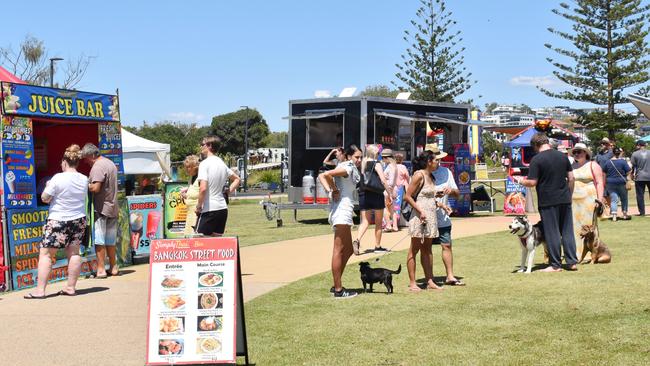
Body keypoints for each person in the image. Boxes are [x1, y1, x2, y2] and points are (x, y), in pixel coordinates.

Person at [24, 145, 88, 299]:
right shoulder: (84, 179)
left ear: (64, 162)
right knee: (74, 252)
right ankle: (70, 288)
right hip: (78, 219)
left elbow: (45, 198)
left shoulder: (57, 178)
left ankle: (40, 291)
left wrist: (47, 186)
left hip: (58, 219)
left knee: (46, 254)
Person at [514, 133, 578, 272]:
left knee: (552, 232)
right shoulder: (563, 156)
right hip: (564, 198)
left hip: (548, 200)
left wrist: (520, 180)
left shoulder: (537, 160)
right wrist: (569, 194)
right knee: (567, 230)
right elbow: (572, 178)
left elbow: (532, 182)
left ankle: (555, 265)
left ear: (536, 145)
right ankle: (572, 262)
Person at [318, 145, 363, 299]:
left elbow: (325, 176)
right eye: (357, 157)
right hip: (342, 211)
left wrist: (332, 189)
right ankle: (338, 289)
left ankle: (336, 283)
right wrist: (333, 190)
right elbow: (325, 175)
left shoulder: (346, 166)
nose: (359, 160)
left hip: (344, 210)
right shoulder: (348, 168)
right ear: (349, 156)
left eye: (361, 157)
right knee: (338, 250)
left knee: (349, 250)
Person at [403, 151, 442, 292]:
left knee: (427, 250)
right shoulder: (419, 175)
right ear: (429, 162)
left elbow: (428, 196)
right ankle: (413, 283)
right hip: (419, 216)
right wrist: (420, 211)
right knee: (414, 249)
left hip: (430, 216)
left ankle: (429, 280)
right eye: (436, 160)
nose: (438, 162)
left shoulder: (431, 176)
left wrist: (440, 200)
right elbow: (407, 196)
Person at [427, 144, 464, 286]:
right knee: (427, 249)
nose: (438, 161)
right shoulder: (421, 173)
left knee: (447, 245)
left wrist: (451, 191)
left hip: (443, 218)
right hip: (427, 218)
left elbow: (458, 194)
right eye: (436, 159)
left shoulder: (446, 172)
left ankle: (450, 276)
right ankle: (429, 278)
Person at [82, 143, 119, 278]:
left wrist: (85, 184)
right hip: (113, 207)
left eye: (86, 158)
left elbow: (96, 188)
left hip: (101, 208)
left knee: (100, 240)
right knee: (111, 240)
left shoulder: (97, 166)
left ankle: (101, 269)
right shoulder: (110, 163)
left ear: (92, 155)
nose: (86, 162)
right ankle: (114, 267)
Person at [195, 135, 241, 236]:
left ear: (209, 146)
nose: (200, 147)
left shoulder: (204, 164)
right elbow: (237, 179)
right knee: (217, 244)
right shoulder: (221, 163)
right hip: (222, 209)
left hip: (209, 209)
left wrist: (198, 206)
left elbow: (203, 188)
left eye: (202, 144)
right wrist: (227, 192)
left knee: (198, 242)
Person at [354, 145, 393, 254]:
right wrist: (389, 193)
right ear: (376, 154)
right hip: (376, 194)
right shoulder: (377, 164)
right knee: (378, 222)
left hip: (364, 194)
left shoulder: (363, 163)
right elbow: (383, 180)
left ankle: (357, 240)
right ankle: (377, 246)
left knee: (365, 221)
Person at [570, 142, 605, 256]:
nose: (576, 154)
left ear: (585, 153)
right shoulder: (571, 166)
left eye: (579, 151)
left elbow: (600, 183)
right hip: (574, 201)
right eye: (574, 152)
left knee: (589, 227)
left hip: (590, 201)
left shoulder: (593, 165)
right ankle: (577, 253)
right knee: (575, 227)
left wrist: (599, 200)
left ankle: (592, 253)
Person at [603, 147, 631, 221]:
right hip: (621, 182)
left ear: (613, 153)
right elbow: (628, 171)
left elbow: (604, 173)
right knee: (624, 198)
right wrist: (626, 177)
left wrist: (604, 183)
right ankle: (624, 214)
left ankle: (614, 216)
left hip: (610, 182)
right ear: (619, 153)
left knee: (613, 200)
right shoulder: (623, 162)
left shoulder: (608, 162)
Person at [387, 152, 410, 231]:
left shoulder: (392, 166)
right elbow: (407, 176)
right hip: (402, 187)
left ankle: (393, 223)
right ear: (402, 159)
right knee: (402, 206)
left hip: (393, 188)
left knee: (393, 206)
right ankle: (399, 222)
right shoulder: (403, 167)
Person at [182, 155, 201, 235]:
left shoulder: (200, 178)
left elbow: (202, 192)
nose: (186, 169)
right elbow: (193, 190)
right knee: (187, 234)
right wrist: (186, 191)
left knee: (194, 235)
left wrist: (187, 195)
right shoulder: (191, 178)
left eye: (189, 167)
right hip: (189, 212)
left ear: (195, 167)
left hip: (196, 213)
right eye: (186, 167)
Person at [381, 149, 398, 232]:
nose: (382, 159)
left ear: (386, 158)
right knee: (392, 209)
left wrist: (389, 192)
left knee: (384, 208)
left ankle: (388, 225)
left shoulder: (390, 166)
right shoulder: (394, 166)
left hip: (388, 190)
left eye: (383, 157)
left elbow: (390, 182)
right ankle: (394, 226)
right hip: (393, 189)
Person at [632, 140, 650, 216]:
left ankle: (642, 213)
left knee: (640, 195)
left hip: (640, 176)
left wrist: (632, 175)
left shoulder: (635, 154)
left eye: (636, 145)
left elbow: (633, 166)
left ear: (639, 145)